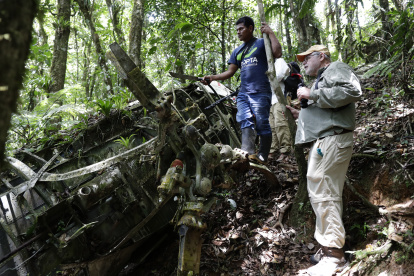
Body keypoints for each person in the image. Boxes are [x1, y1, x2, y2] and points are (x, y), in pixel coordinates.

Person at [286, 45, 362, 276]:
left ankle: (334, 256)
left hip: (333, 139)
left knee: (323, 188)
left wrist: (313, 94)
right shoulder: (322, 78)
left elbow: (352, 90)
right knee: (322, 189)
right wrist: (302, 115)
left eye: (307, 58)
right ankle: (331, 246)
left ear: (322, 56)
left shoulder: (335, 68)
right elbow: (328, 110)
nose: (303, 63)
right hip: (325, 140)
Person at [202, 16, 282, 164]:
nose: (238, 32)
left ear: (250, 28)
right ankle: (247, 154)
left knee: (262, 122)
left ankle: (263, 156)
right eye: (237, 29)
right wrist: (213, 77)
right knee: (245, 121)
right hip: (244, 93)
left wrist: (270, 33)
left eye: (241, 29)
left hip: (261, 91)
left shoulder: (261, 42)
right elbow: (230, 72)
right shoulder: (237, 51)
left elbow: (277, 53)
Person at [269, 58, 292, 160]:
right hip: (269, 100)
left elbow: (278, 76)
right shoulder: (262, 64)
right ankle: (272, 150)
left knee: (280, 123)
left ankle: (285, 151)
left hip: (280, 97)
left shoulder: (278, 61)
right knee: (271, 127)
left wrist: (264, 79)